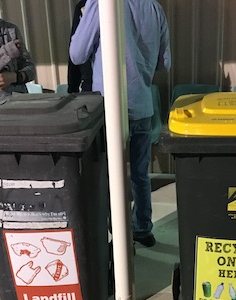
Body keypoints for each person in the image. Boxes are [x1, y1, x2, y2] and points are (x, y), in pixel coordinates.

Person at [69, 0, 171, 248]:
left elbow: (77, 53)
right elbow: (164, 63)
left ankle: (112, 237)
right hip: (142, 104)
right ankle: (142, 229)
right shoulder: (154, 8)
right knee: (139, 174)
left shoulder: (101, 3)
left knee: (105, 174)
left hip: (108, 107)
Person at [67, 0, 93, 93]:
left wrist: (72, 88)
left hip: (95, 88)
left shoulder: (92, 4)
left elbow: (77, 54)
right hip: (136, 88)